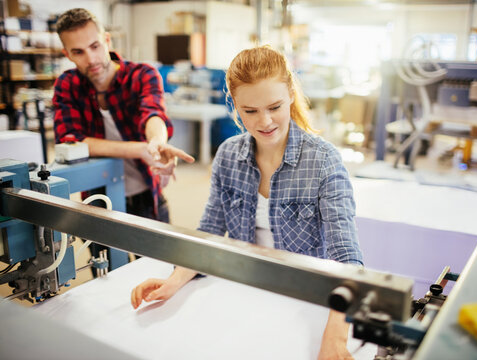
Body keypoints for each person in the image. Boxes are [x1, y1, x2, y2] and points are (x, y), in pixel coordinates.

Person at [131, 46, 363, 359]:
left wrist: (336, 337)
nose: (264, 121)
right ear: (235, 106)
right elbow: (209, 232)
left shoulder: (323, 162)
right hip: (246, 290)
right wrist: (175, 280)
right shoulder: (228, 156)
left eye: (274, 106)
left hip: (308, 299)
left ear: (291, 95)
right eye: (250, 111)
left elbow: (346, 256)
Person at [53, 8, 194, 268]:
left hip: (146, 196)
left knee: (160, 271)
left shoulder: (142, 74)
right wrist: (138, 149)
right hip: (98, 199)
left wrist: (156, 143)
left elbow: (153, 115)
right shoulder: (67, 85)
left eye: (95, 46)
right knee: (107, 278)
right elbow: (70, 140)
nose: (91, 58)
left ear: (107, 40)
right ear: (67, 54)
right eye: (78, 52)